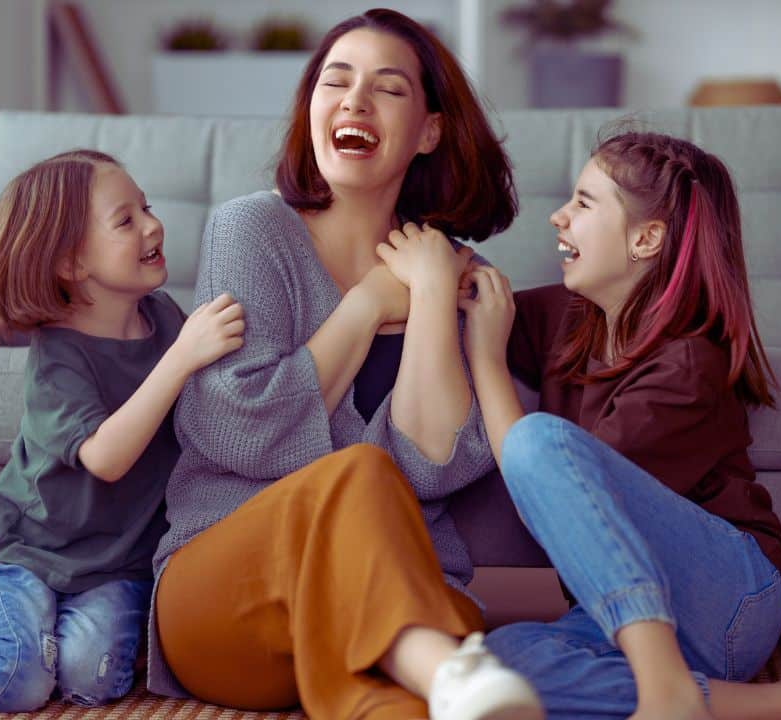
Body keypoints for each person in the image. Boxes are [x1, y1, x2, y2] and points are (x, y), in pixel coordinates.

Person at [148, 9, 544, 720]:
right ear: (311, 110)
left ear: (429, 130)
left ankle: (447, 679)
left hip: (389, 602)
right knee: (364, 472)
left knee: (411, 698)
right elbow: (240, 431)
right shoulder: (251, 230)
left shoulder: (450, 274)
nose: (355, 101)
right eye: (336, 81)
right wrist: (363, 307)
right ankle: (450, 670)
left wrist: (426, 295)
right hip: (224, 599)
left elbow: (434, 466)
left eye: (388, 89)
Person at [456, 130, 781, 720]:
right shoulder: (569, 319)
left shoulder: (688, 364)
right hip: (620, 616)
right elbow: (469, 293)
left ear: (646, 238)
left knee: (539, 440)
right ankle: (764, 703)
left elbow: (545, 491)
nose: (558, 217)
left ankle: (664, 679)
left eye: (584, 203)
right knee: (496, 664)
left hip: (729, 598)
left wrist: (489, 360)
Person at [0, 150, 246, 712]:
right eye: (125, 220)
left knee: (91, 682)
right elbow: (106, 456)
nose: (153, 225)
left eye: (146, 208)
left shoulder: (167, 320)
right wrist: (180, 358)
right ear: (70, 263)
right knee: (20, 683)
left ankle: (49, 638)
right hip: (27, 553)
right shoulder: (59, 357)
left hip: (114, 564)